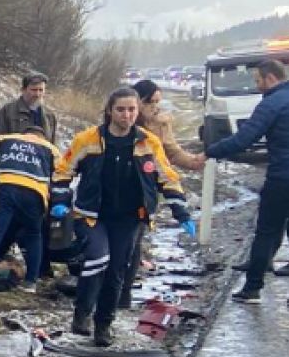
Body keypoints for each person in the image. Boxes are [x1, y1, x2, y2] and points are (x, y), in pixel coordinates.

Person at [53, 88, 189, 344]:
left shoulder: (148, 142)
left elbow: (166, 177)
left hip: (129, 217)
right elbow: (63, 170)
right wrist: (60, 201)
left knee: (117, 270)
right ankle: (82, 314)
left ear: (137, 111)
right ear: (109, 111)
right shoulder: (88, 140)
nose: (126, 115)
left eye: (131, 110)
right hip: (92, 214)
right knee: (97, 258)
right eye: (121, 109)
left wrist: (180, 209)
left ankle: (104, 324)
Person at [205, 59, 289, 306]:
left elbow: (243, 139)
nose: (257, 85)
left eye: (258, 80)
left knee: (266, 231)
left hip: (283, 178)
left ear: (270, 78)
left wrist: (209, 152)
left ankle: (252, 288)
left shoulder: (271, 103)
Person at [0, 125, 56, 293]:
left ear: (23, 134)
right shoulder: (50, 148)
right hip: (35, 192)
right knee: (34, 236)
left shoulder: (5, 138)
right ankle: (31, 282)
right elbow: (61, 173)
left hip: (5, 186)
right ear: (42, 137)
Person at [132, 79, 204, 172]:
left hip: (154, 175)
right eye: (149, 102)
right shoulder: (126, 122)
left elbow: (173, 153)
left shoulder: (162, 124)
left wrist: (193, 161)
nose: (154, 106)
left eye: (157, 102)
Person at [0, 72, 58, 141]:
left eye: (41, 90)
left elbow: (52, 146)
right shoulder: (8, 111)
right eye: (34, 90)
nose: (37, 94)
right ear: (23, 90)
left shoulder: (50, 116)